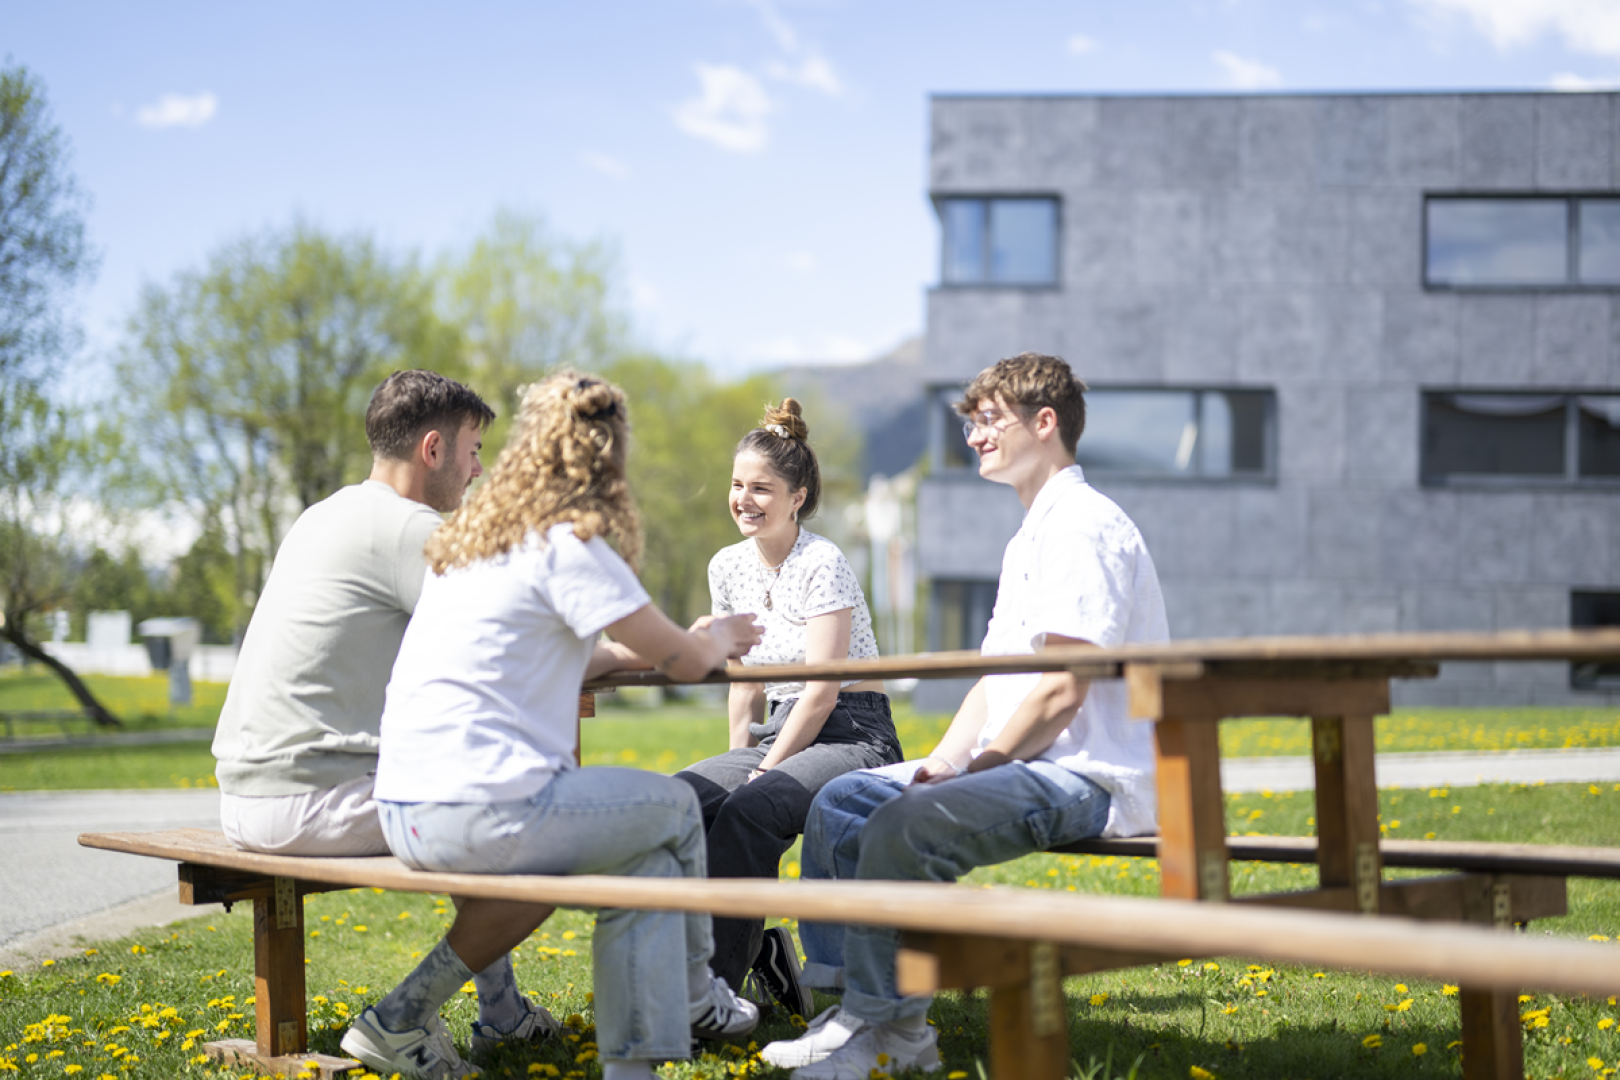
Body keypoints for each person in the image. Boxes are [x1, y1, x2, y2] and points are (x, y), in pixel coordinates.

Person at [344, 371, 767, 1080]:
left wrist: (678, 645)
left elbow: (565, 652)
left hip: (403, 807)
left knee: (651, 860)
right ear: (608, 459)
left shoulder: (476, 543)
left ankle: (631, 1066)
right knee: (674, 806)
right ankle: (697, 994)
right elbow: (687, 662)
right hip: (480, 808)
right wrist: (714, 639)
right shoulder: (568, 543)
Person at [760, 353, 1170, 1079]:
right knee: (841, 801)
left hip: (1087, 776)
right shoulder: (1030, 535)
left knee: (901, 824)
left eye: (990, 420)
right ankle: (858, 1008)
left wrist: (974, 771)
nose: (974, 436)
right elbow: (994, 684)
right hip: (1027, 761)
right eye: (971, 423)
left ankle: (892, 1033)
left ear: (1045, 424)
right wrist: (944, 761)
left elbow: (1060, 691)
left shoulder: (1082, 527)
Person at [674, 400, 903, 1019]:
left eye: (762, 489)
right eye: (737, 485)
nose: (744, 499)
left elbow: (822, 690)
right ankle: (740, 960)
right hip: (780, 726)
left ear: (797, 496)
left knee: (752, 807)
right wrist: (739, 757)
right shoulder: (728, 566)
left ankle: (711, 998)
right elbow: (743, 683)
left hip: (853, 733)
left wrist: (762, 768)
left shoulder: (822, 561)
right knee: (681, 801)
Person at [213, 368, 493, 854]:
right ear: (432, 450)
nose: (477, 470)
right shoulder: (410, 527)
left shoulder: (321, 515)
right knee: (518, 807)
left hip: (245, 796)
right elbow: (504, 641)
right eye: (473, 451)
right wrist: (624, 653)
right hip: (309, 801)